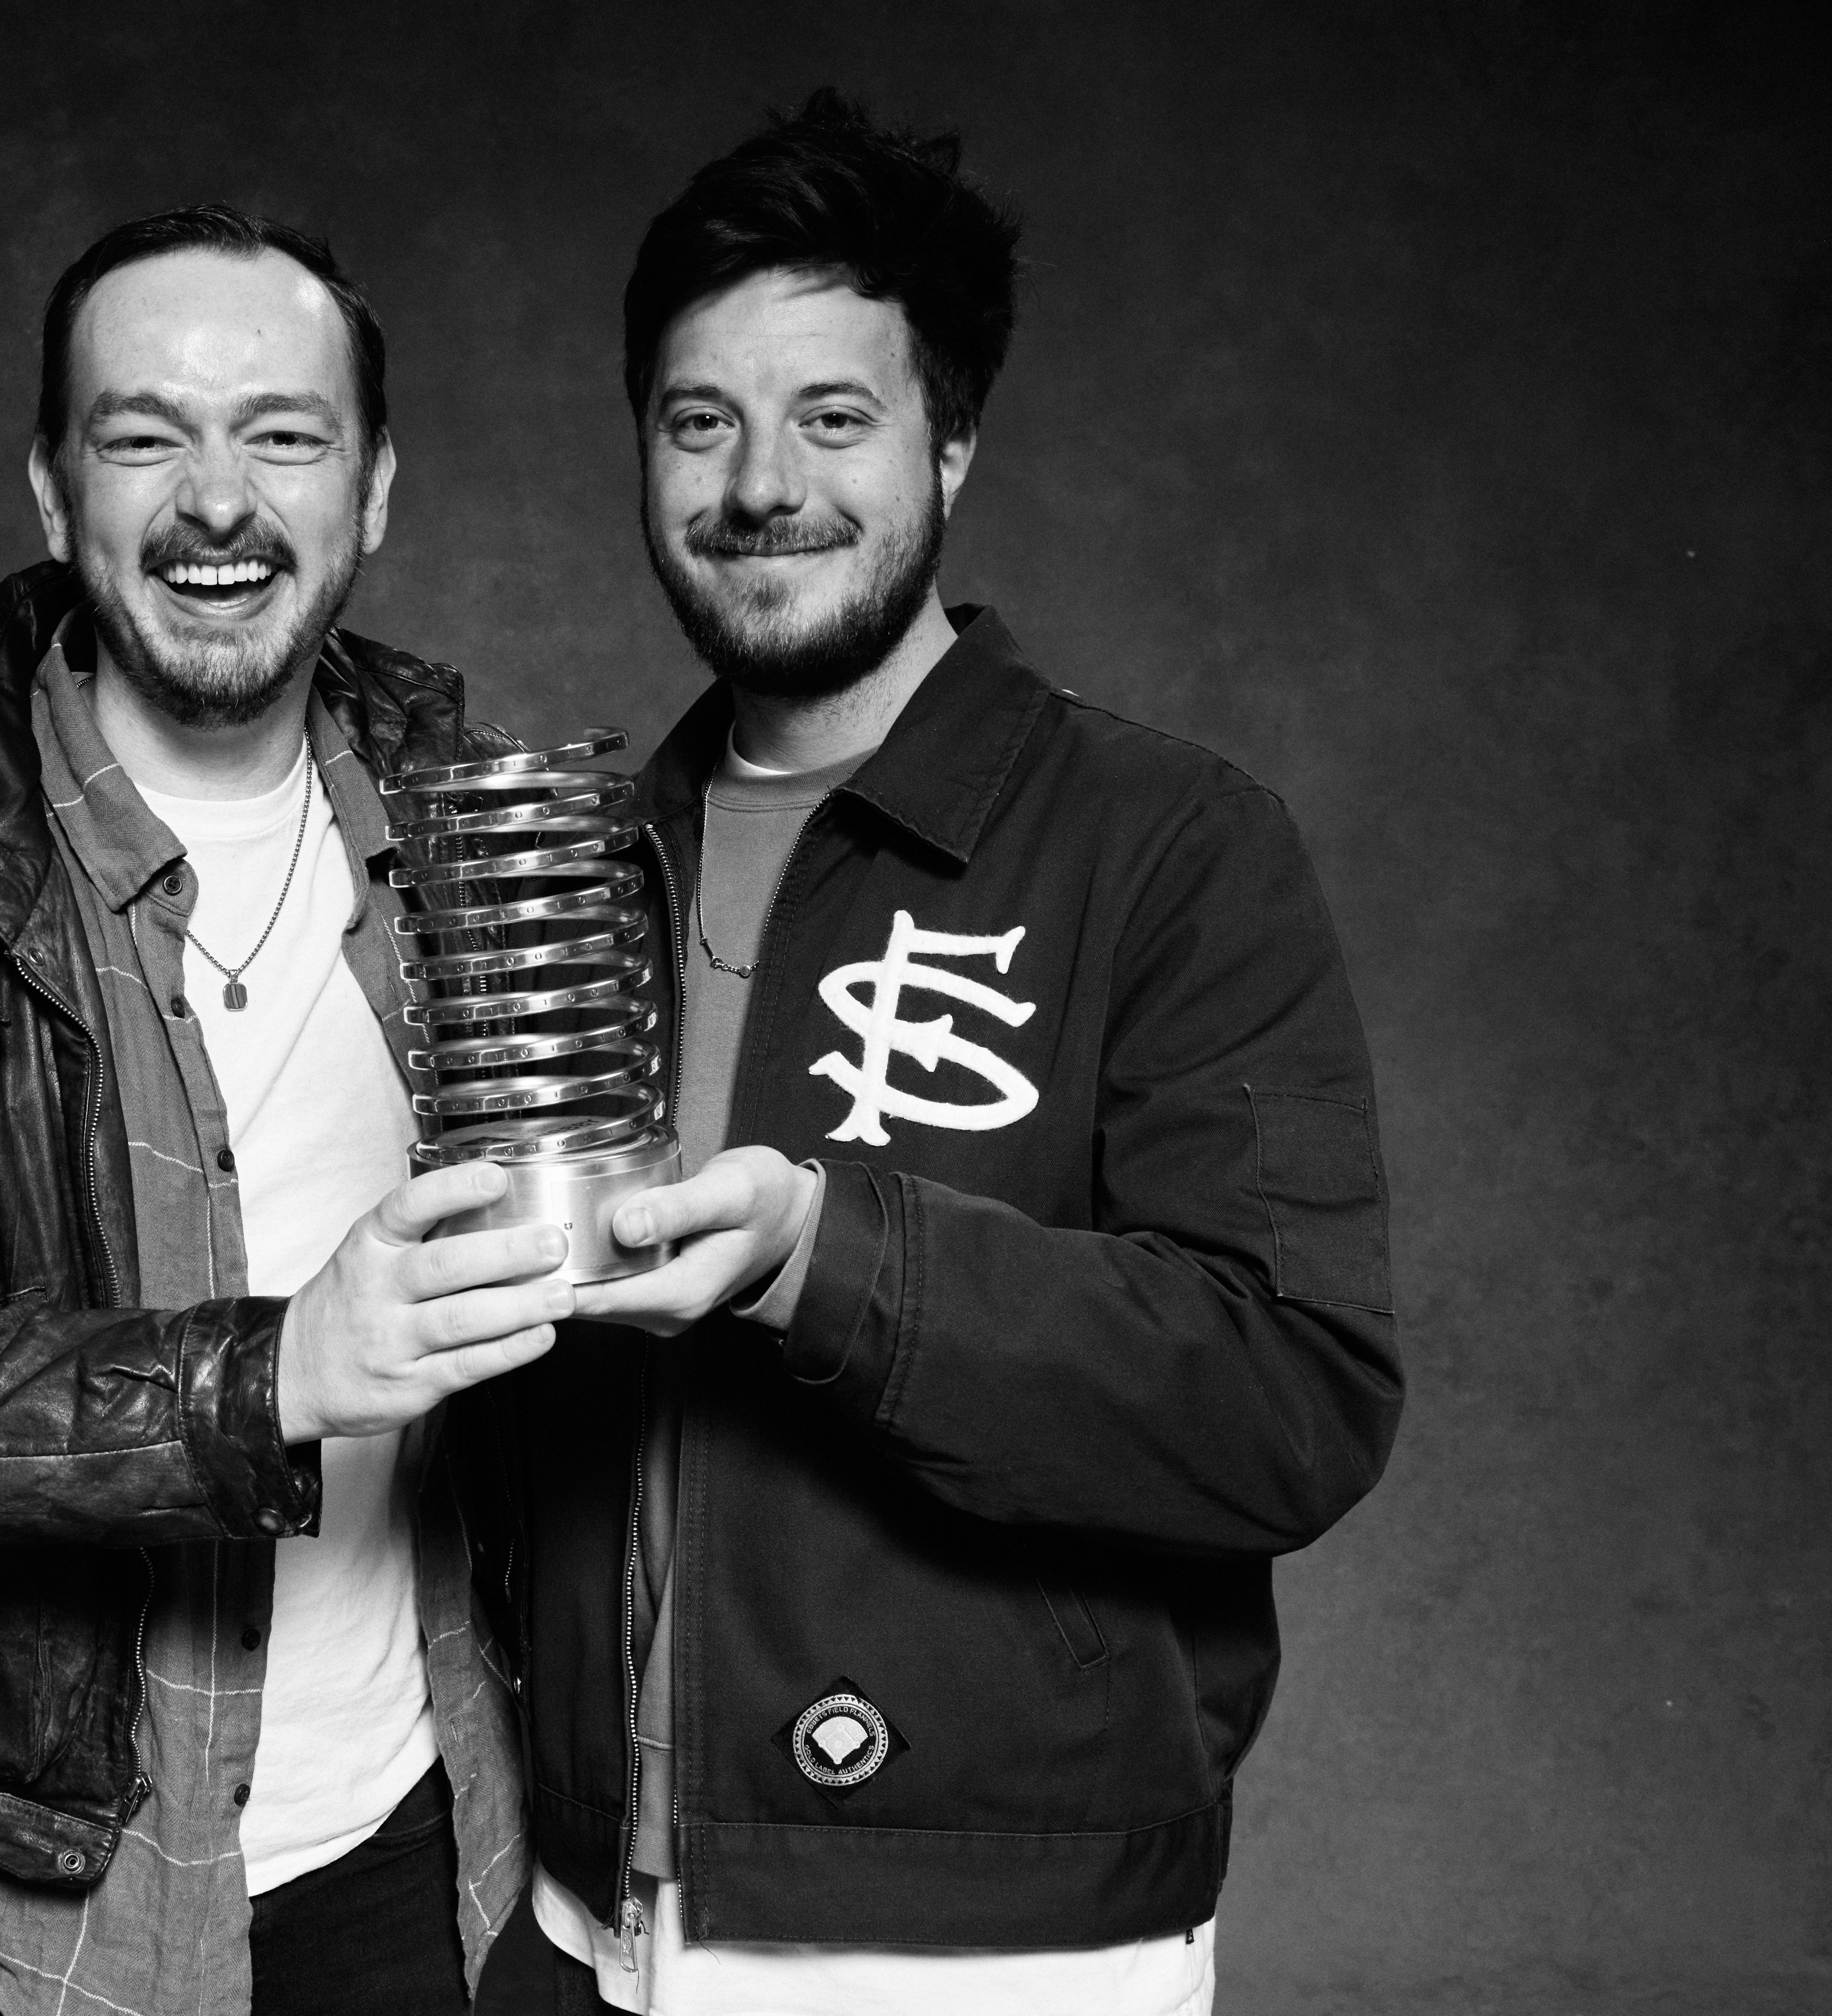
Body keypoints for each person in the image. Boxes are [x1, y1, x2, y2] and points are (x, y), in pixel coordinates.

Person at [479, 92, 1404, 2016]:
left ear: (952, 445)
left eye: (835, 416)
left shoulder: (1168, 843)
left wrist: (831, 1254)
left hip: (988, 1943)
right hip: (585, 1923)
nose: (759, 485)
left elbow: (1293, 1395)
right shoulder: (581, 870)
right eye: (698, 419)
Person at [0, 205, 565, 2016]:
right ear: (51, 488)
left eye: (284, 436)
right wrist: (269, 1377)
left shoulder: (490, 853)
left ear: (374, 489)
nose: (216, 501)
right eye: (146, 434)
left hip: (409, 1858)